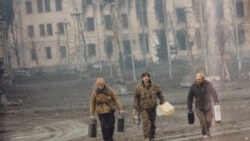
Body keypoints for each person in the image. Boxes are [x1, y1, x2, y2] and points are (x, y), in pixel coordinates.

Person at [133, 72, 165, 140]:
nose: (146, 78)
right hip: (144, 109)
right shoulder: (139, 87)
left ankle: (152, 136)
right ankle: (146, 137)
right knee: (146, 123)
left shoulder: (154, 86)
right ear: (142, 78)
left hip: (153, 108)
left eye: (147, 76)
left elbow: (160, 93)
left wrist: (162, 101)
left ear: (149, 78)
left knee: (152, 124)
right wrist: (136, 107)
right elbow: (136, 97)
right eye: (144, 76)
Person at [187, 72, 219, 138]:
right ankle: (204, 133)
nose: (198, 80)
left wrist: (216, 101)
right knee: (202, 121)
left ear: (203, 79)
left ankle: (207, 130)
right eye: (197, 79)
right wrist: (189, 107)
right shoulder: (193, 86)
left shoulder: (208, 84)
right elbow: (189, 97)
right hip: (199, 107)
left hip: (208, 106)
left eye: (199, 79)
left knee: (209, 120)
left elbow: (214, 93)